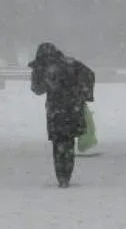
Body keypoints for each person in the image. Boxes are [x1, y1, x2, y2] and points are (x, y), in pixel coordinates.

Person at [28, 42, 94, 188]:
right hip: (73, 109)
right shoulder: (71, 63)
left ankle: (62, 176)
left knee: (58, 143)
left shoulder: (45, 67)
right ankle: (66, 175)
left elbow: (37, 89)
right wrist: (83, 94)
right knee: (68, 142)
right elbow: (89, 75)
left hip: (56, 110)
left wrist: (41, 76)